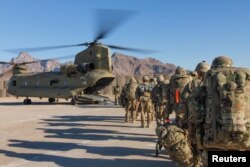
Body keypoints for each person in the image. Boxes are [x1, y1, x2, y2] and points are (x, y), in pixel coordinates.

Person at [191, 56, 250, 166]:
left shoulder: (204, 88)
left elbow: (195, 116)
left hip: (213, 142)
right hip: (245, 142)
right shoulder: (247, 85)